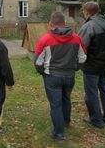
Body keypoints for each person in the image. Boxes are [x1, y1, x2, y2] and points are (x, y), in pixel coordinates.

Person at [35, 12, 86, 141]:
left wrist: (43, 72)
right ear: (64, 23)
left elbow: (38, 62)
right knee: (66, 99)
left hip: (52, 76)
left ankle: (58, 133)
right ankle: (65, 123)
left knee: (56, 104)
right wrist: (75, 68)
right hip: (69, 75)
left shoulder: (45, 39)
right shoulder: (77, 38)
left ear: (50, 24)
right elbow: (82, 58)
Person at [78, 2, 105, 128]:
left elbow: (81, 48)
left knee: (92, 93)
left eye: (84, 12)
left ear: (87, 12)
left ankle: (96, 120)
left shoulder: (88, 26)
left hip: (91, 66)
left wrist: (79, 62)